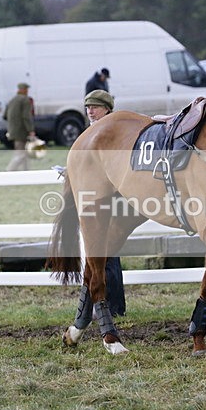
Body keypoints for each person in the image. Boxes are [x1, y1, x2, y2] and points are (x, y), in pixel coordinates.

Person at [82, 88, 126, 316]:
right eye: (88, 107)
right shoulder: (89, 132)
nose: (90, 111)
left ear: (107, 109)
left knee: (108, 254)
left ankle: (114, 306)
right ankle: (99, 305)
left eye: (95, 107)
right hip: (91, 198)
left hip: (110, 198)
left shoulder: (112, 133)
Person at [4, 82, 34, 172]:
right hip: (22, 131)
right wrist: (31, 130)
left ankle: (26, 171)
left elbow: (5, 115)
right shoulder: (25, 100)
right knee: (21, 153)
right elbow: (26, 116)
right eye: (26, 89)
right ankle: (9, 170)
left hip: (13, 130)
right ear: (24, 90)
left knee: (23, 151)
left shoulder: (12, 100)